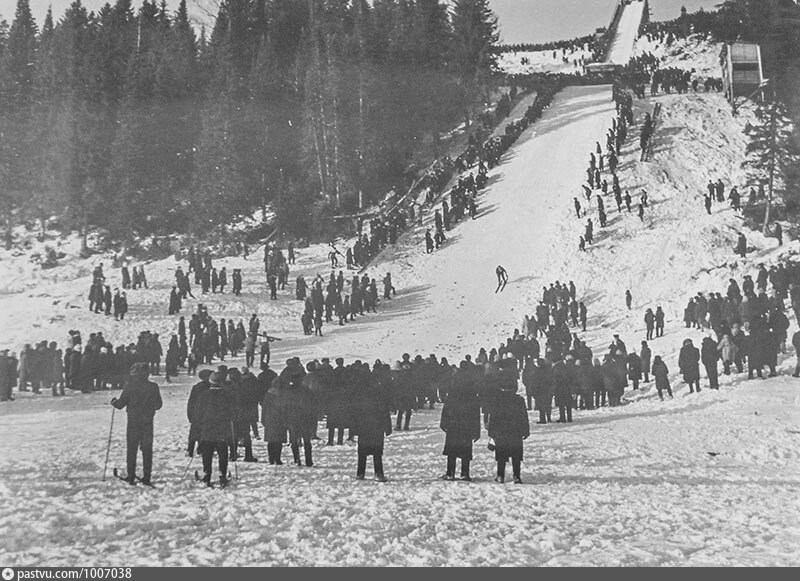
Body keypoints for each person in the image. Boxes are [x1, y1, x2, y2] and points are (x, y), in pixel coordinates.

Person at [111, 363, 163, 485]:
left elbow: (120, 404)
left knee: (132, 448)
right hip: (147, 422)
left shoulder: (130, 386)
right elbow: (159, 405)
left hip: (133, 421)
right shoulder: (153, 386)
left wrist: (114, 402)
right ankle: (147, 476)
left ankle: (131, 475)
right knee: (147, 449)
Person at [440, 362, 481, 481]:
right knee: (466, 449)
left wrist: (444, 423)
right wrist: (476, 430)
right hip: (467, 423)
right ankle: (465, 473)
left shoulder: (453, 387)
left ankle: (450, 473)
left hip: (454, 423)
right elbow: (475, 413)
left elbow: (446, 407)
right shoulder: (472, 390)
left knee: (452, 449)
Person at [195, 371, 236, 487]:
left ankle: (207, 475)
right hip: (222, 428)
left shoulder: (204, 395)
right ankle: (222, 475)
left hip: (207, 427)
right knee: (222, 452)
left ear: (210, 382)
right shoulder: (227, 395)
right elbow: (233, 411)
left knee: (207, 452)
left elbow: (198, 413)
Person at [487, 375, 529, 484]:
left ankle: (500, 476)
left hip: (501, 432)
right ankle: (517, 476)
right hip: (515, 432)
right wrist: (526, 430)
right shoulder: (519, 400)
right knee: (516, 456)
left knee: (501, 455)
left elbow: (493, 417)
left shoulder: (497, 400)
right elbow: (524, 417)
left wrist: (491, 432)